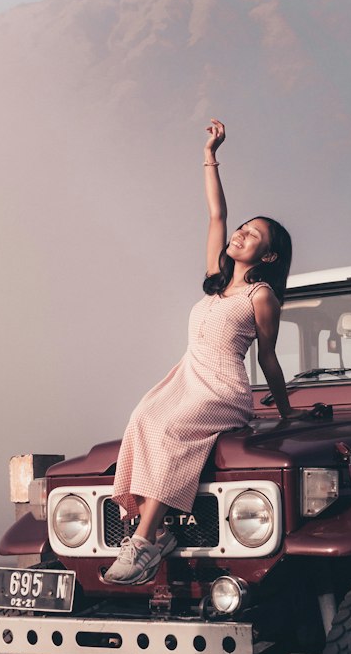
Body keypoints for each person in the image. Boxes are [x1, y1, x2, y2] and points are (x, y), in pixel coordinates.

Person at [106, 119, 294, 585]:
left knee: (171, 428)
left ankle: (146, 544)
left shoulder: (261, 296)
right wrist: (211, 153)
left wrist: (286, 413)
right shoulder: (216, 280)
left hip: (223, 389)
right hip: (187, 377)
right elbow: (216, 215)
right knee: (143, 419)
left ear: (267, 256)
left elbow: (267, 358)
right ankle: (154, 527)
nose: (241, 235)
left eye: (253, 236)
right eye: (244, 229)